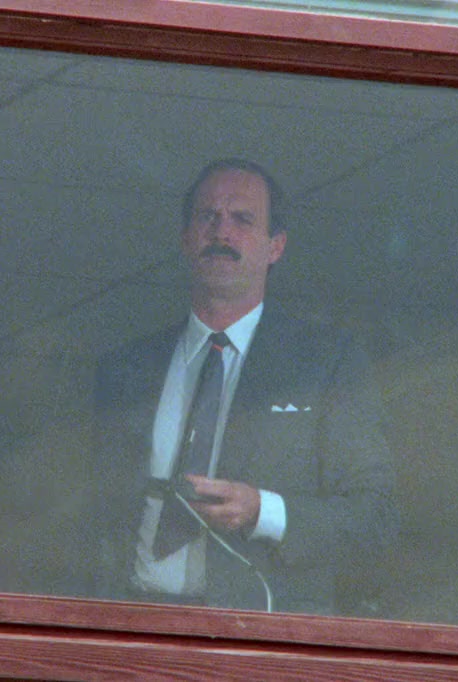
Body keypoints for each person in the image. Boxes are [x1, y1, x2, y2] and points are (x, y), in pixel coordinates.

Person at [92, 159, 396, 614]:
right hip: (131, 623)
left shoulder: (325, 364)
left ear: (276, 246)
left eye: (242, 219)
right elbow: (87, 515)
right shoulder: (127, 369)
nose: (222, 232)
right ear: (186, 238)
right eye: (207, 216)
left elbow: (375, 519)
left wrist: (262, 511)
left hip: (259, 634)